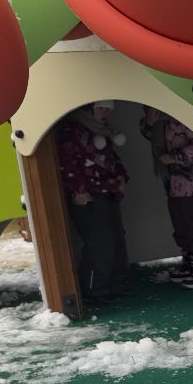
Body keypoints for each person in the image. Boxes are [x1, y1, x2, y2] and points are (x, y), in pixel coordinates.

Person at [54, 101, 130, 304]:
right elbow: (67, 161)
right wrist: (78, 189)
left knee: (113, 239)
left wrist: (121, 176)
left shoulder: (103, 131)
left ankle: (113, 284)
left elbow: (111, 158)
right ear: (90, 108)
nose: (105, 113)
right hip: (88, 195)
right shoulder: (73, 130)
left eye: (107, 109)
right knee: (99, 241)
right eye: (101, 108)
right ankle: (95, 289)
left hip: (106, 191)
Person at [141, 107, 193, 289]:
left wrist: (177, 157)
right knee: (181, 223)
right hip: (174, 183)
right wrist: (149, 122)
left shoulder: (185, 116)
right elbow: (152, 136)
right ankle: (191, 264)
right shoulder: (162, 121)